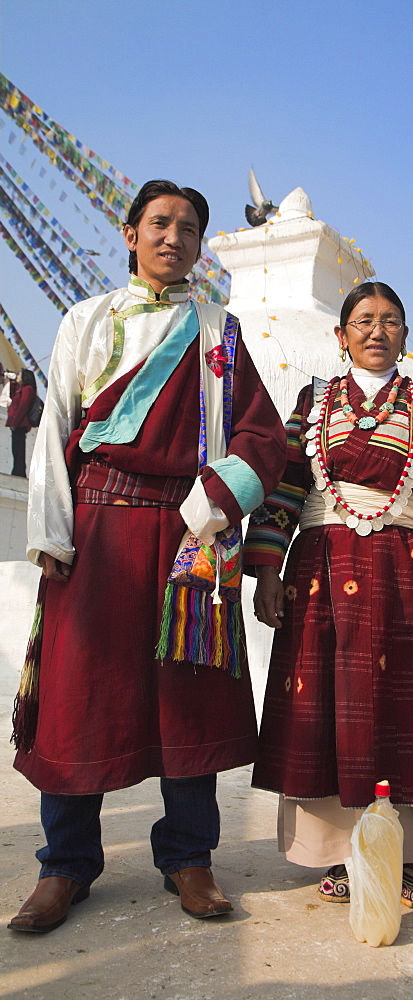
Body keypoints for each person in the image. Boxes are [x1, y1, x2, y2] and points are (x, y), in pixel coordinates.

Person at [8, 180, 286, 934]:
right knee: (78, 698)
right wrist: (52, 536)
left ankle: (189, 859)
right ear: (130, 233)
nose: (174, 237)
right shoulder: (86, 319)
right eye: (159, 223)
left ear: (201, 245)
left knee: (184, 697)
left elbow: (266, 438)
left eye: (189, 228)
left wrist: (216, 502)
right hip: (95, 532)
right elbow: (55, 430)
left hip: (188, 543)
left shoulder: (220, 333)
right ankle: (64, 866)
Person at [245, 281, 413, 912]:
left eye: (392, 322)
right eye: (364, 321)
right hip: (322, 572)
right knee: (330, 702)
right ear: (340, 333)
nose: (378, 332)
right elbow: (285, 486)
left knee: (410, 709)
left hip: (409, 574)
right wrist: (266, 570)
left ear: (405, 334)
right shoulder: (312, 402)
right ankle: (344, 851)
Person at [6, 367, 37, 477]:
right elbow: (12, 396)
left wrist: (15, 423)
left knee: (19, 449)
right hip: (17, 422)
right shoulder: (22, 389)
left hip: (20, 423)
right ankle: (17, 470)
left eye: (19, 375)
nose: (17, 376)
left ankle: (19, 471)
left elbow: (23, 407)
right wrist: (12, 382)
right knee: (16, 448)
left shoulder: (28, 389)